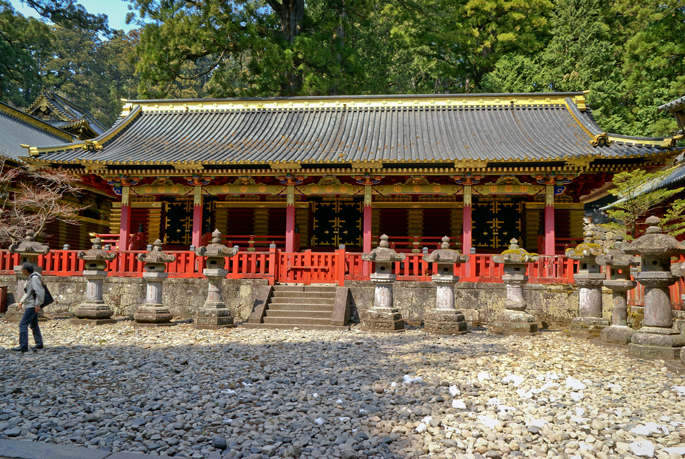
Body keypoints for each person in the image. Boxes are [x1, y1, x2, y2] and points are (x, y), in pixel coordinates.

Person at [11, 263, 45, 353]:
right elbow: (28, 292)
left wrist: (38, 304)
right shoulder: (30, 278)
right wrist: (22, 301)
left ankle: (23, 345)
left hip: (32, 305)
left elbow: (40, 292)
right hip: (30, 303)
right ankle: (39, 343)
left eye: (22, 270)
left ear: (25, 270)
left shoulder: (34, 278)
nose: (21, 271)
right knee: (33, 324)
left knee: (23, 324)